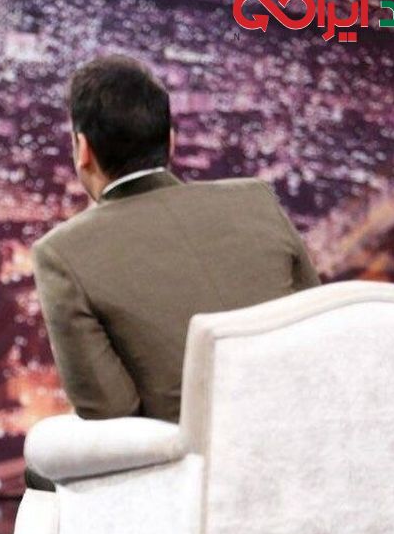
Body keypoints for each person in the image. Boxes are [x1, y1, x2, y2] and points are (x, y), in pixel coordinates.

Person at [29, 55, 320, 487]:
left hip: (187, 483)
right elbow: (316, 329)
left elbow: (110, 414)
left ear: (83, 149)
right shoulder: (257, 200)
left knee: (38, 470)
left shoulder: (61, 253)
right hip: (302, 453)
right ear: (171, 140)